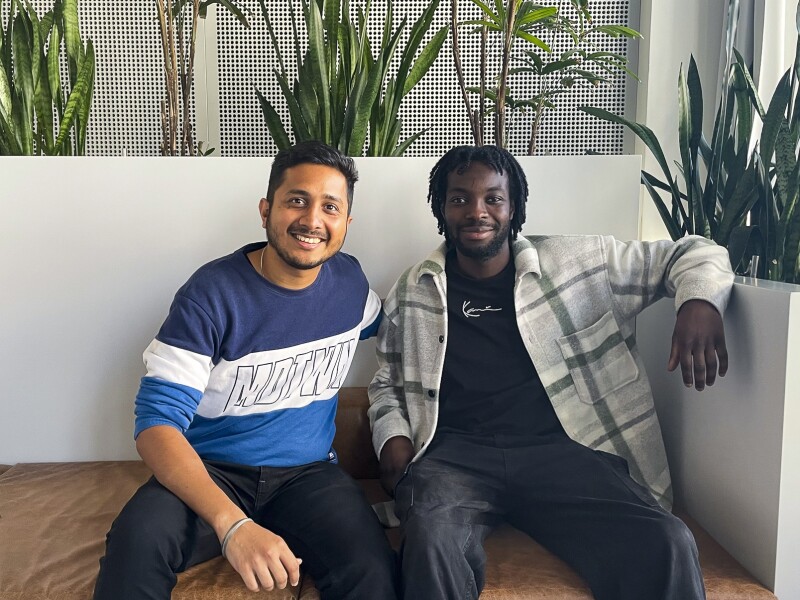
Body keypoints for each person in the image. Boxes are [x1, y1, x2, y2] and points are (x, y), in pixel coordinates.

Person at [368, 145, 734, 600]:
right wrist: (393, 437)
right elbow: (386, 381)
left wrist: (698, 300)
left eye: (493, 199)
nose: (476, 211)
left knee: (668, 540)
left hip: (565, 453)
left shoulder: (580, 263)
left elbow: (695, 252)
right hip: (453, 458)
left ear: (514, 205)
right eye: (459, 199)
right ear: (441, 209)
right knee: (430, 541)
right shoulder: (413, 288)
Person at [94, 141, 398, 600]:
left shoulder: (350, 285)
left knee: (374, 570)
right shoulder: (211, 296)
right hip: (212, 471)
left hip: (308, 475)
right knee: (135, 546)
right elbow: (156, 425)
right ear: (265, 210)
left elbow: (401, 330)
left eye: (329, 207)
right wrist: (233, 526)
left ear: (345, 224)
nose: (312, 220)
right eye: (297, 200)